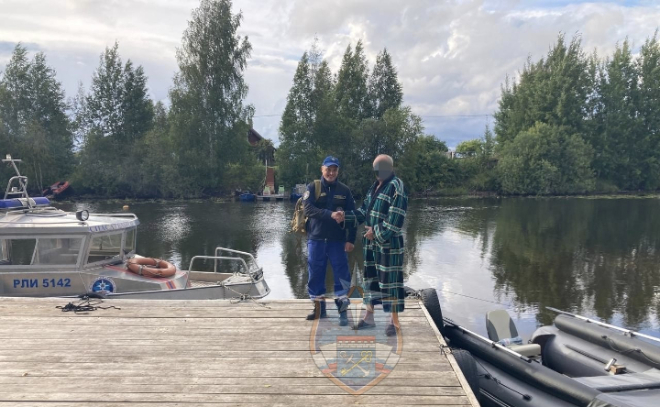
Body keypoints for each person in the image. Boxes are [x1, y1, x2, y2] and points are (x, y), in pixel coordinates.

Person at [343, 154, 408, 337]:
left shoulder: (397, 186)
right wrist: (345, 217)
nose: (379, 172)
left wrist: (376, 232)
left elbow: (395, 220)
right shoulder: (374, 187)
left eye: (382, 168)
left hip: (389, 244)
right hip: (371, 245)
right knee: (370, 280)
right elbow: (364, 211)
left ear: (390, 168)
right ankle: (369, 318)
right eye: (376, 169)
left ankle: (394, 322)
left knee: (391, 283)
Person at [304, 156, 357, 326]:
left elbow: (353, 216)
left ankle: (343, 311)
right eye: (328, 169)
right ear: (322, 169)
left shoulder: (345, 190)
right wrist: (330, 214)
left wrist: (350, 239)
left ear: (338, 171)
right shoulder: (313, 187)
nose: (331, 173)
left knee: (342, 276)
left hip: (337, 241)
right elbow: (308, 209)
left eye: (334, 170)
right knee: (315, 275)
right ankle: (319, 310)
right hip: (316, 239)